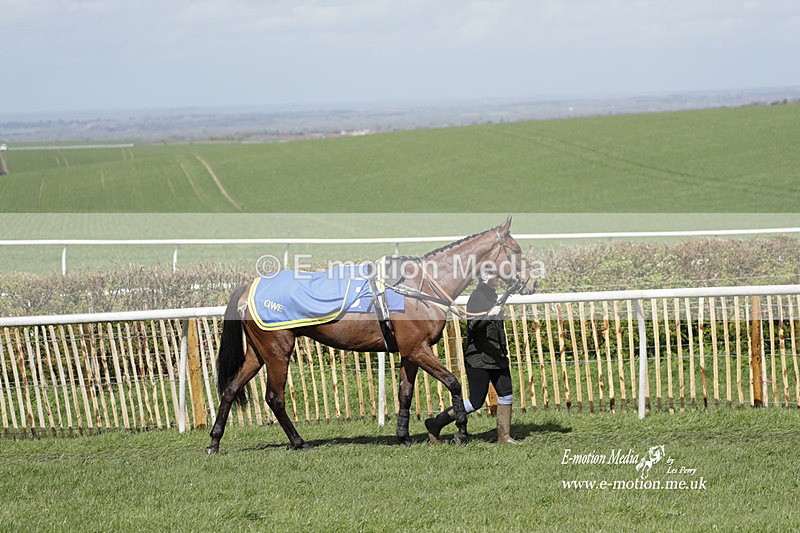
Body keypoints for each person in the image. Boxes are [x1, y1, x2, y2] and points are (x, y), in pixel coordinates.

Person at [424, 271, 520, 444]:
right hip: (479, 359)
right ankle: (436, 423)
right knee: (475, 402)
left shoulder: (491, 295)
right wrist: (490, 314)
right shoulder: (477, 297)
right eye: (495, 275)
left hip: (497, 356)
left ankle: (504, 437)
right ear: (484, 276)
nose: (498, 278)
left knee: (506, 394)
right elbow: (473, 325)